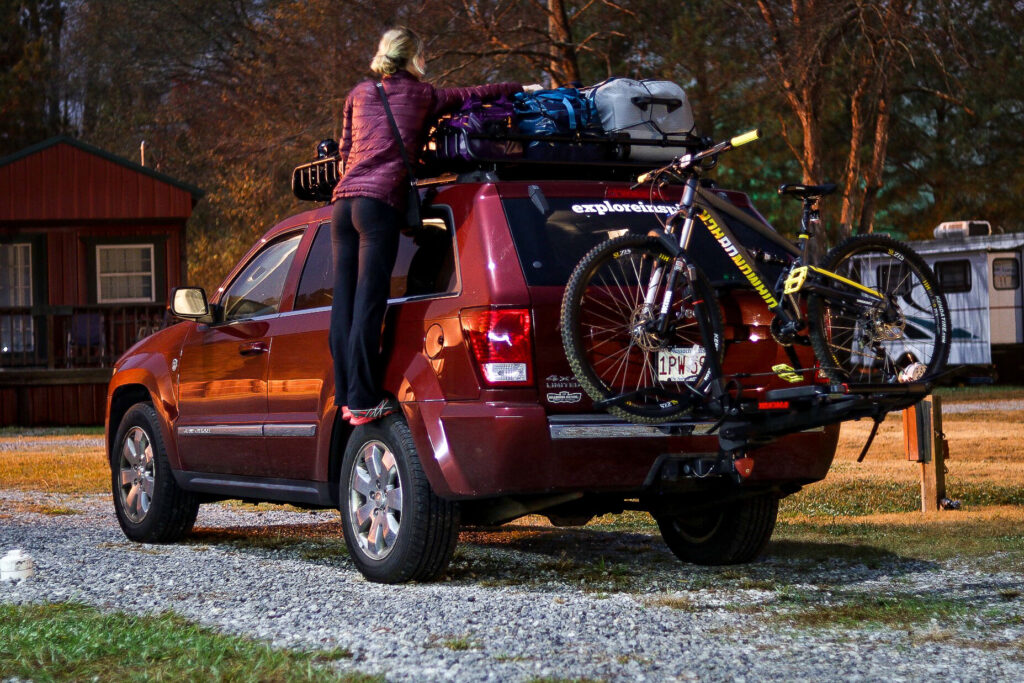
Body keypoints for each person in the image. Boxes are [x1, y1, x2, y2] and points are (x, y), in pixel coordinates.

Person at [330, 26, 524, 426]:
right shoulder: (422, 95)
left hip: (342, 205)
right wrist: (518, 87)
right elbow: (473, 95)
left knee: (344, 305)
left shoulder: (359, 93)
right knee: (370, 303)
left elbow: (344, 153)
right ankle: (364, 401)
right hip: (377, 206)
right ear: (412, 57)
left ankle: (347, 399)